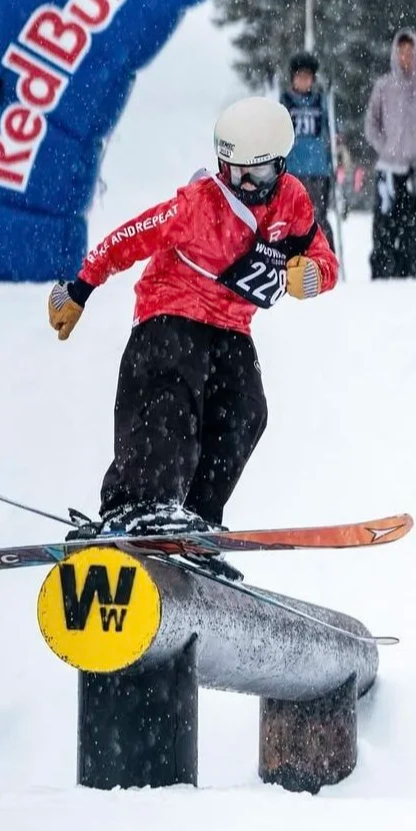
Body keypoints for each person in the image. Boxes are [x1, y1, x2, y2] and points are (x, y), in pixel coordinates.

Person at [48, 96, 339, 538]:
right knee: (173, 386)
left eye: (255, 174)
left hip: (231, 325)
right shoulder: (200, 204)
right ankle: (141, 502)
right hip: (171, 308)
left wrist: (313, 276)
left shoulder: (292, 202)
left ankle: (197, 515)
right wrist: (80, 289)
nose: (242, 183)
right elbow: (128, 238)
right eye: (231, 170)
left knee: (246, 407)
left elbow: (322, 255)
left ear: (279, 166)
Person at [365, 28, 416, 279]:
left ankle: (410, 270)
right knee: (384, 224)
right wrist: (385, 147)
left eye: (410, 52)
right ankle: (382, 273)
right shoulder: (384, 86)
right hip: (388, 170)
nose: (405, 57)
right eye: (401, 52)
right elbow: (371, 123)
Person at [280, 51, 336, 251]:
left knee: (318, 216)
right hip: (293, 170)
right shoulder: (285, 101)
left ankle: (324, 254)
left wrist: (335, 154)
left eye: (307, 77)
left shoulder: (320, 101)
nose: (303, 81)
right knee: (293, 217)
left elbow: (331, 130)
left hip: (317, 170)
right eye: (299, 76)